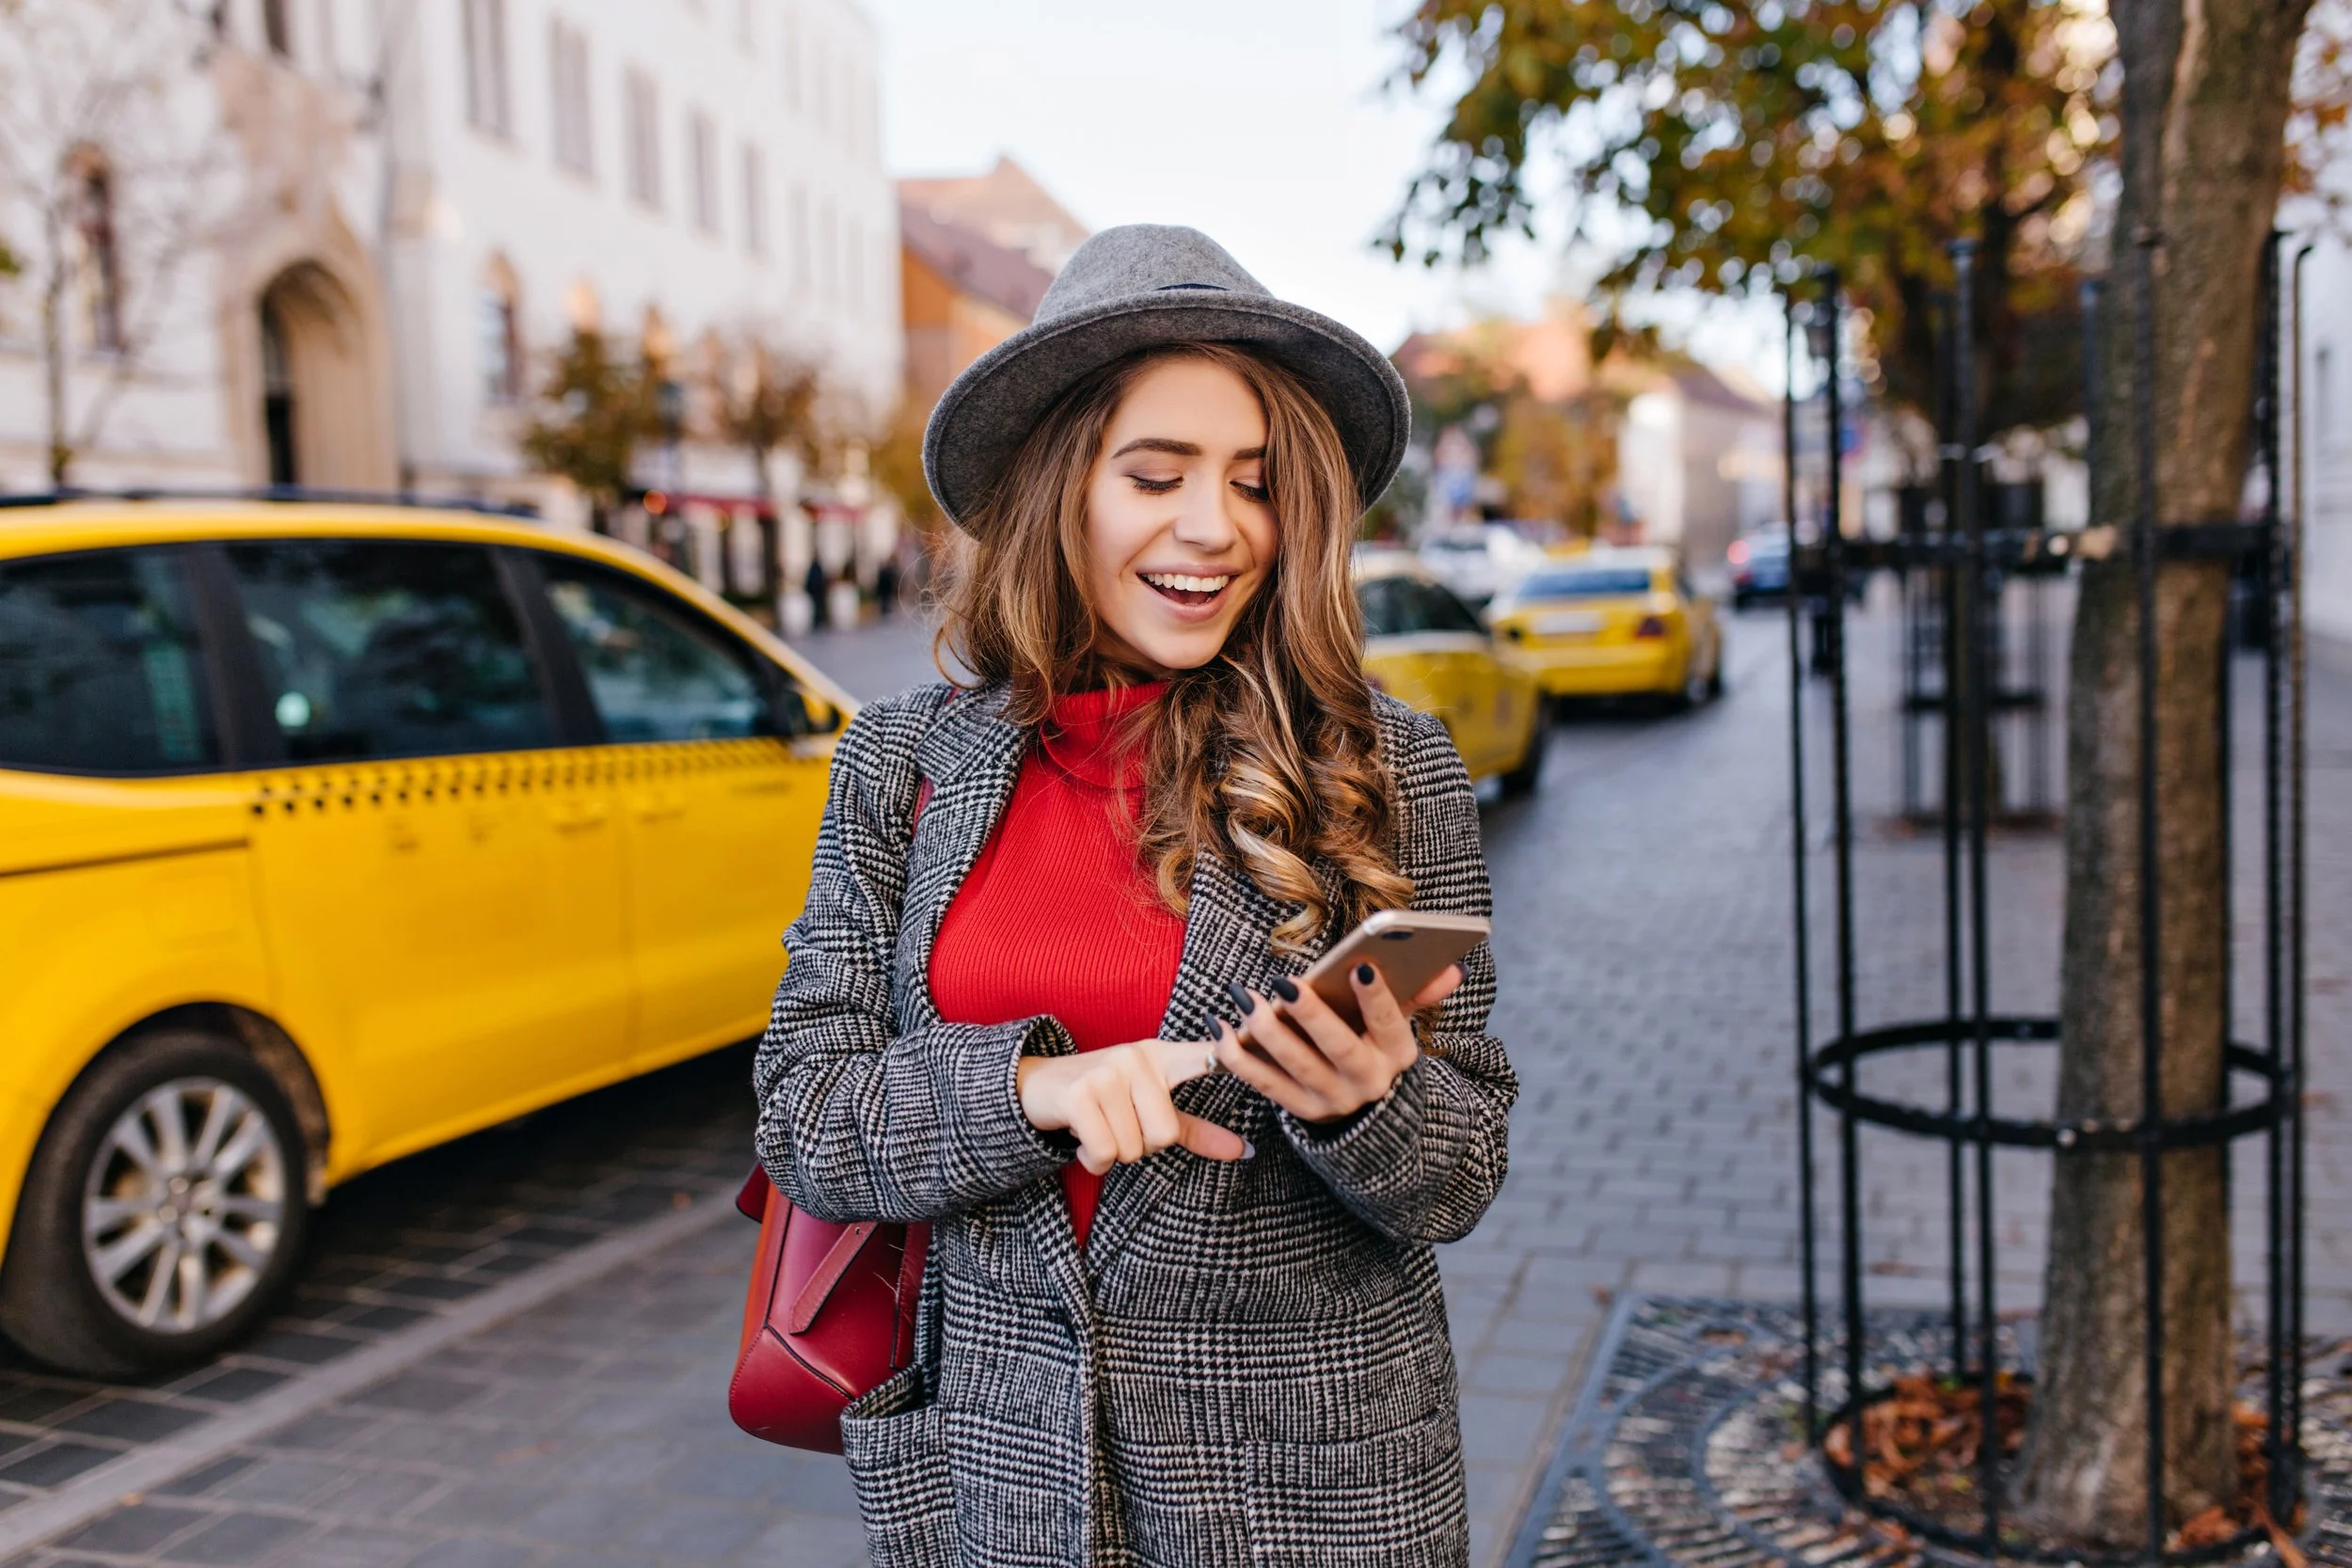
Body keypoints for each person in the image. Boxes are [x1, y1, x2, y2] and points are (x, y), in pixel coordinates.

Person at [754, 225, 1515, 1568]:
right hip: (1002, 1488)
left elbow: (1461, 1176)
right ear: (1060, 488)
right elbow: (804, 1114)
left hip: (1315, 1495)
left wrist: (1367, 1104)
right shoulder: (903, 761)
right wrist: (1030, 1091)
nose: (1214, 527)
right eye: (1156, 475)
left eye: (1256, 483)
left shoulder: (1386, 765)